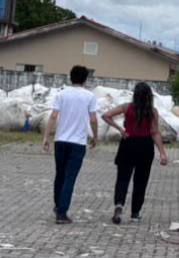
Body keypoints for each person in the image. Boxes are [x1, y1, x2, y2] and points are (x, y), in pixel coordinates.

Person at [102, 82, 168, 224]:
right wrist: (162, 153)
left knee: (123, 178)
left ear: (135, 95)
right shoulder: (152, 111)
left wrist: (120, 129)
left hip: (128, 143)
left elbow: (106, 115)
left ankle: (119, 203)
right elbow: (155, 132)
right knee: (141, 181)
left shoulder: (127, 107)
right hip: (145, 146)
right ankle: (135, 212)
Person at [42, 65, 98, 224]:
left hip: (60, 141)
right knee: (70, 178)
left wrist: (46, 137)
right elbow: (93, 119)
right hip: (78, 143)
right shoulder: (89, 96)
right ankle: (62, 212)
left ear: (70, 77)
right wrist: (95, 136)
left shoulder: (61, 94)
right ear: (85, 79)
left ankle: (57, 204)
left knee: (60, 174)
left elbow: (53, 116)